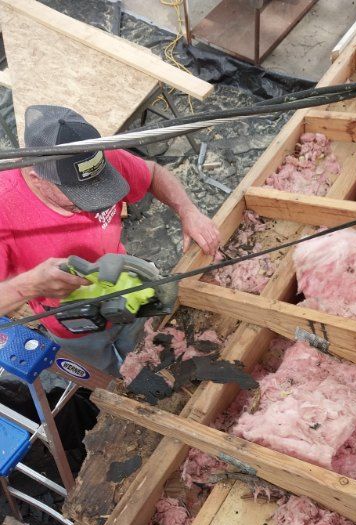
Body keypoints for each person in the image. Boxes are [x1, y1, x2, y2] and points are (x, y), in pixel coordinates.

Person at [0, 104, 220, 375]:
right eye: (79, 196)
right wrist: (28, 287)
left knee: (147, 348)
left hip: (126, 290)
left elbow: (151, 173)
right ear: (37, 177)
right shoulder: (4, 208)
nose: (91, 203)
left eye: (98, 188)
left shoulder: (94, 160)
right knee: (112, 375)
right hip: (76, 326)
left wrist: (188, 211)